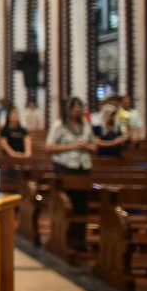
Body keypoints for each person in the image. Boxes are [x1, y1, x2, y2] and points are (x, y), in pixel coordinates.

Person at [46, 97, 96, 245]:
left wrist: (86, 146)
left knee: (82, 205)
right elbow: (49, 147)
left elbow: (94, 146)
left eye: (79, 107)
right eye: (74, 107)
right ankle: (63, 238)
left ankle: (80, 240)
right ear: (68, 109)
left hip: (83, 169)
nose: (77, 110)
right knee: (67, 205)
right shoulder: (59, 125)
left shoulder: (86, 125)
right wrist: (72, 146)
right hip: (65, 168)